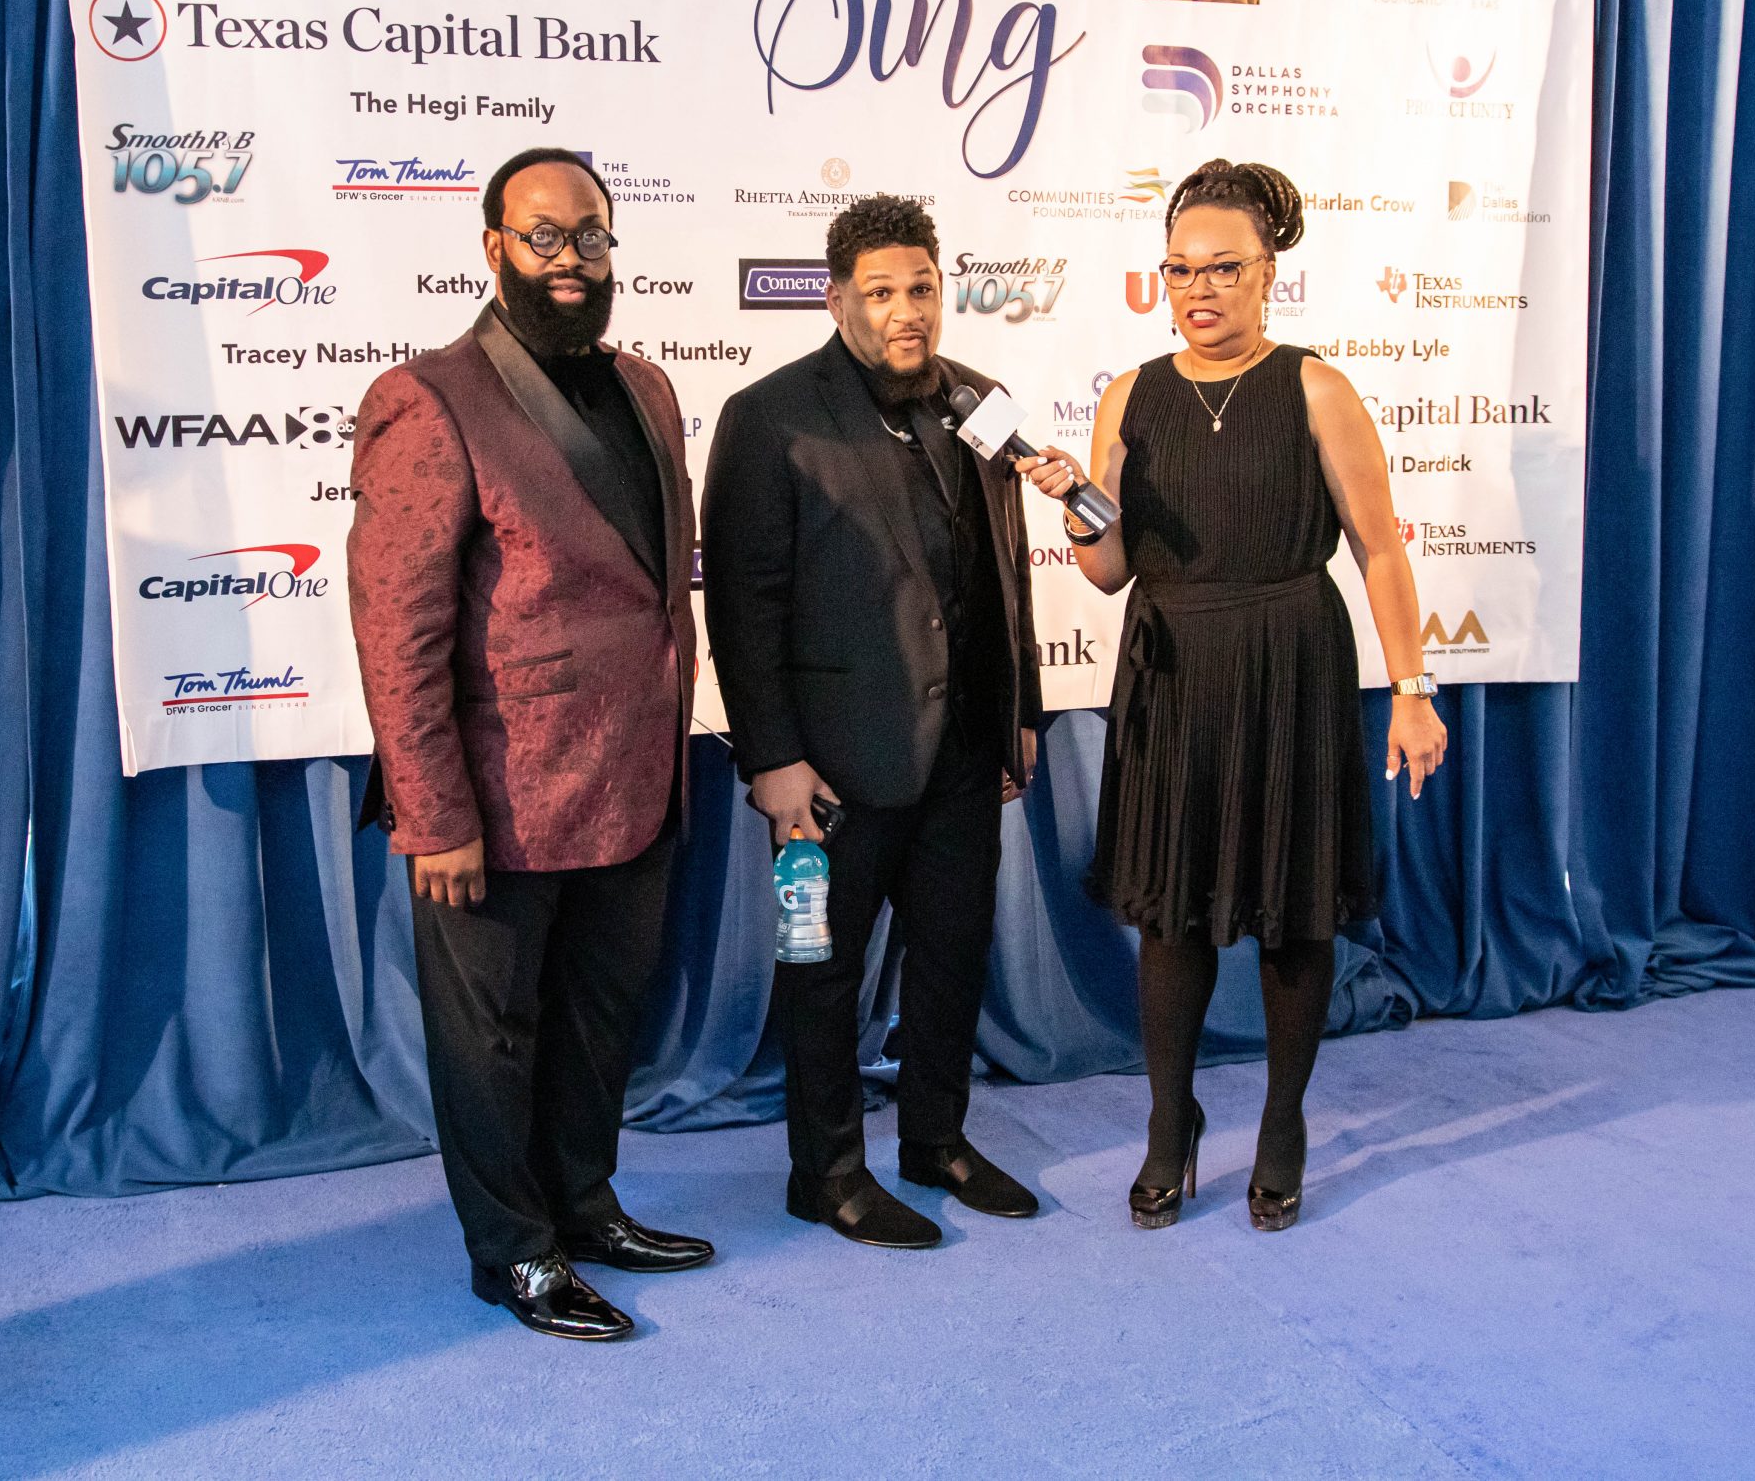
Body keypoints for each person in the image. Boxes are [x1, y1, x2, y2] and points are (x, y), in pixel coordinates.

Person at [1016, 157, 1447, 1231]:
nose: (1198, 289)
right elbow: (1108, 571)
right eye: (1179, 269)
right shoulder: (1131, 395)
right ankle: (1171, 1122)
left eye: (1223, 268)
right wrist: (1076, 503)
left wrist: (1412, 688)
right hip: (1170, 672)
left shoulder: (1316, 388)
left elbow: (1380, 551)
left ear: (1268, 274)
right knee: (1173, 915)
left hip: (1289, 664)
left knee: (1295, 909)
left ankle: (1283, 1123)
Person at [345, 147, 713, 1340]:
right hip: (497, 799)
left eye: (589, 235)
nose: (570, 258)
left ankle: (585, 1208)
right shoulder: (429, 398)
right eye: (544, 236)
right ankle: (512, 1253)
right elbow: (395, 629)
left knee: (600, 1021)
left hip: (636, 779)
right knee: (492, 1042)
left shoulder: (647, 386)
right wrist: (432, 815)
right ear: (494, 247)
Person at [702, 194, 1045, 1249]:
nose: (908, 311)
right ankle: (827, 1173)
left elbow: (1009, 572)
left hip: (964, 757)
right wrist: (772, 760)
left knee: (953, 955)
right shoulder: (771, 417)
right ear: (836, 298)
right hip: (829, 773)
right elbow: (742, 606)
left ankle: (935, 1140)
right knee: (819, 967)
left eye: (923, 288)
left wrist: (1021, 711)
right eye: (883, 291)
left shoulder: (980, 402)